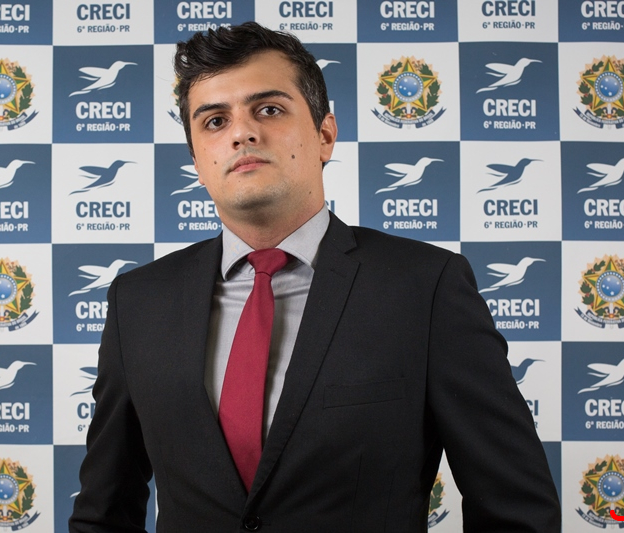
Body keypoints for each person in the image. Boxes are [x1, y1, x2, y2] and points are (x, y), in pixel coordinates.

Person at [70, 22, 561, 532]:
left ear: (324, 135)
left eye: (268, 109)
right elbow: (104, 512)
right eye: (215, 121)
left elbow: (517, 513)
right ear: (197, 161)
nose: (241, 133)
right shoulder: (137, 302)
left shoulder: (427, 286)